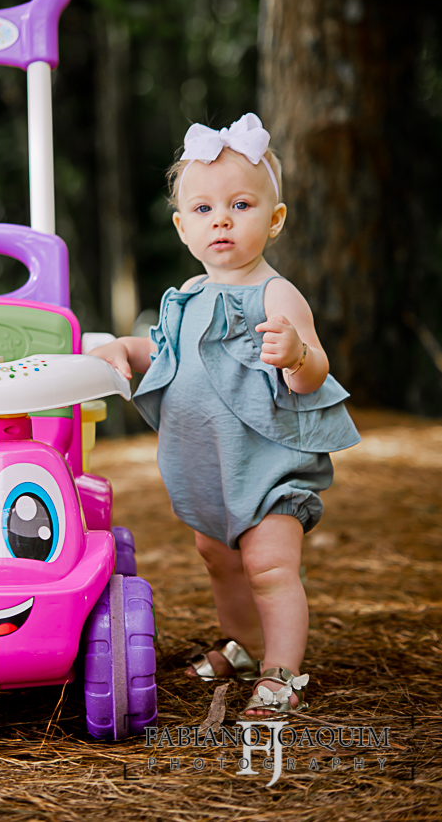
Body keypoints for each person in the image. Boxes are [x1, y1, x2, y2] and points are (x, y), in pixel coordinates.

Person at [90, 113, 359, 717]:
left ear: (275, 219)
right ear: (183, 226)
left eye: (240, 205)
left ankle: (281, 670)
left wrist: (295, 354)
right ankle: (242, 644)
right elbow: (163, 353)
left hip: (267, 468)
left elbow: (315, 372)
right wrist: (123, 349)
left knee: (268, 567)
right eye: (204, 209)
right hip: (208, 468)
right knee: (220, 563)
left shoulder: (276, 294)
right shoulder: (188, 295)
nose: (222, 220)